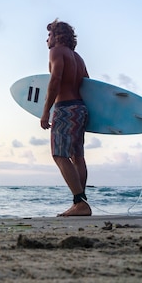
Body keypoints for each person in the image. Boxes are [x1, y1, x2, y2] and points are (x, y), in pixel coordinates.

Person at [40, 19, 91, 216]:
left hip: (65, 108)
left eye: (49, 35)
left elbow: (55, 81)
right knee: (77, 156)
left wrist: (46, 111)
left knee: (59, 155)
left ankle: (80, 203)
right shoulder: (78, 58)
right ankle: (81, 202)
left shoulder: (56, 52)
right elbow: (87, 85)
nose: (47, 39)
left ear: (58, 36)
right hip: (80, 108)